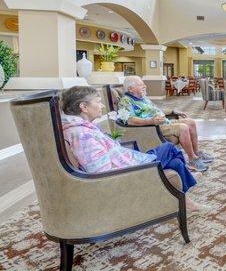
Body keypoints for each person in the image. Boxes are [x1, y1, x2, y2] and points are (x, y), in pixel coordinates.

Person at [60, 86, 202, 212]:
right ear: (84, 107)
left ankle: (185, 200)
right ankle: (187, 193)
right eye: (98, 101)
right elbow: (102, 173)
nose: (102, 105)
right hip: (129, 172)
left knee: (175, 163)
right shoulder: (83, 135)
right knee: (169, 148)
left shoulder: (81, 129)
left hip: (128, 163)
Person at [118, 75, 213, 172]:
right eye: (141, 85)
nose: (145, 86)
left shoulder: (143, 98)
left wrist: (173, 111)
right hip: (153, 127)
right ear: (131, 89)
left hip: (164, 122)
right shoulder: (126, 101)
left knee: (190, 122)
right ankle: (192, 160)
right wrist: (150, 121)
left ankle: (196, 153)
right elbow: (129, 120)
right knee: (183, 127)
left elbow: (157, 110)